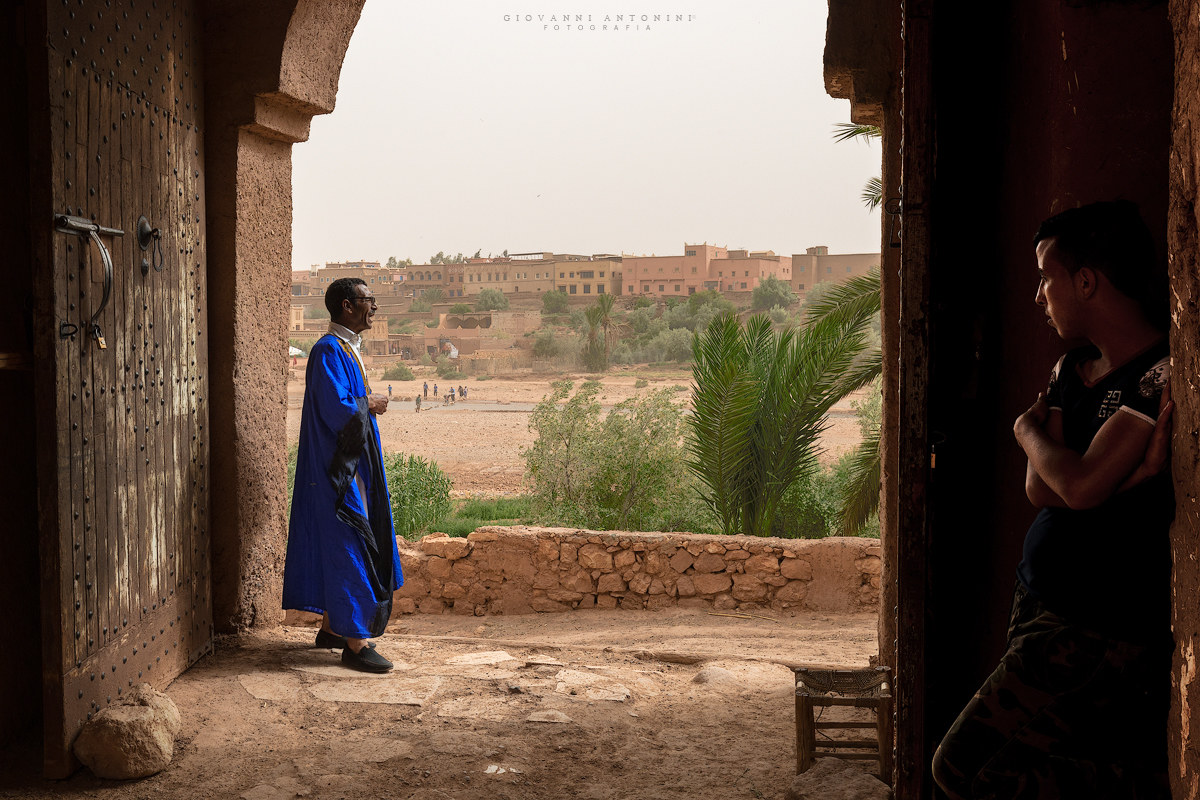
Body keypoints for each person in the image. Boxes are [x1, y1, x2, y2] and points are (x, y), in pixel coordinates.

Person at [932, 201, 1174, 798]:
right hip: (1039, 606)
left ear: (1085, 280)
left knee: (958, 770)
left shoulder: (1158, 375)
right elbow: (1043, 486)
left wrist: (1027, 432)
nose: (1039, 295)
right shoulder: (1075, 369)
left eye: (1046, 275)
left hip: (1092, 626)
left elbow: (1078, 483)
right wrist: (1100, 477)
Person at [283, 277, 402, 674]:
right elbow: (337, 408)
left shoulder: (344, 349)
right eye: (370, 301)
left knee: (342, 540)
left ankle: (332, 628)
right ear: (349, 306)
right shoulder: (327, 352)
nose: (375, 308)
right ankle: (355, 642)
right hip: (337, 472)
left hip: (349, 464)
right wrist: (369, 402)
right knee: (350, 540)